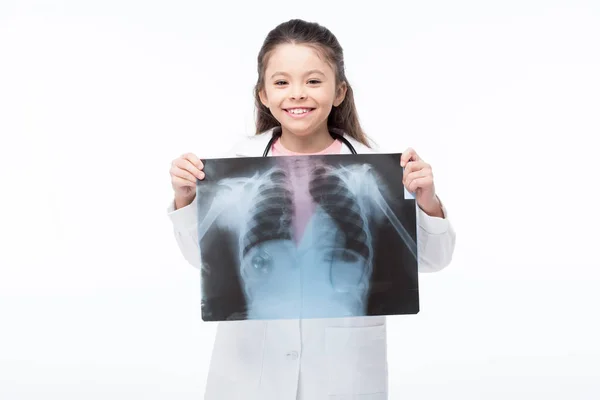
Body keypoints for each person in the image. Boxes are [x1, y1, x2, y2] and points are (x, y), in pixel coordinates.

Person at [167, 19, 456, 400]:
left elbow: (432, 261)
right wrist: (187, 198)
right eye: (282, 82)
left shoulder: (378, 172)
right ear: (263, 95)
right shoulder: (231, 171)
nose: (297, 94)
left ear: (339, 92)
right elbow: (201, 261)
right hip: (249, 374)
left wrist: (426, 202)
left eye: (314, 81)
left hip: (342, 378)